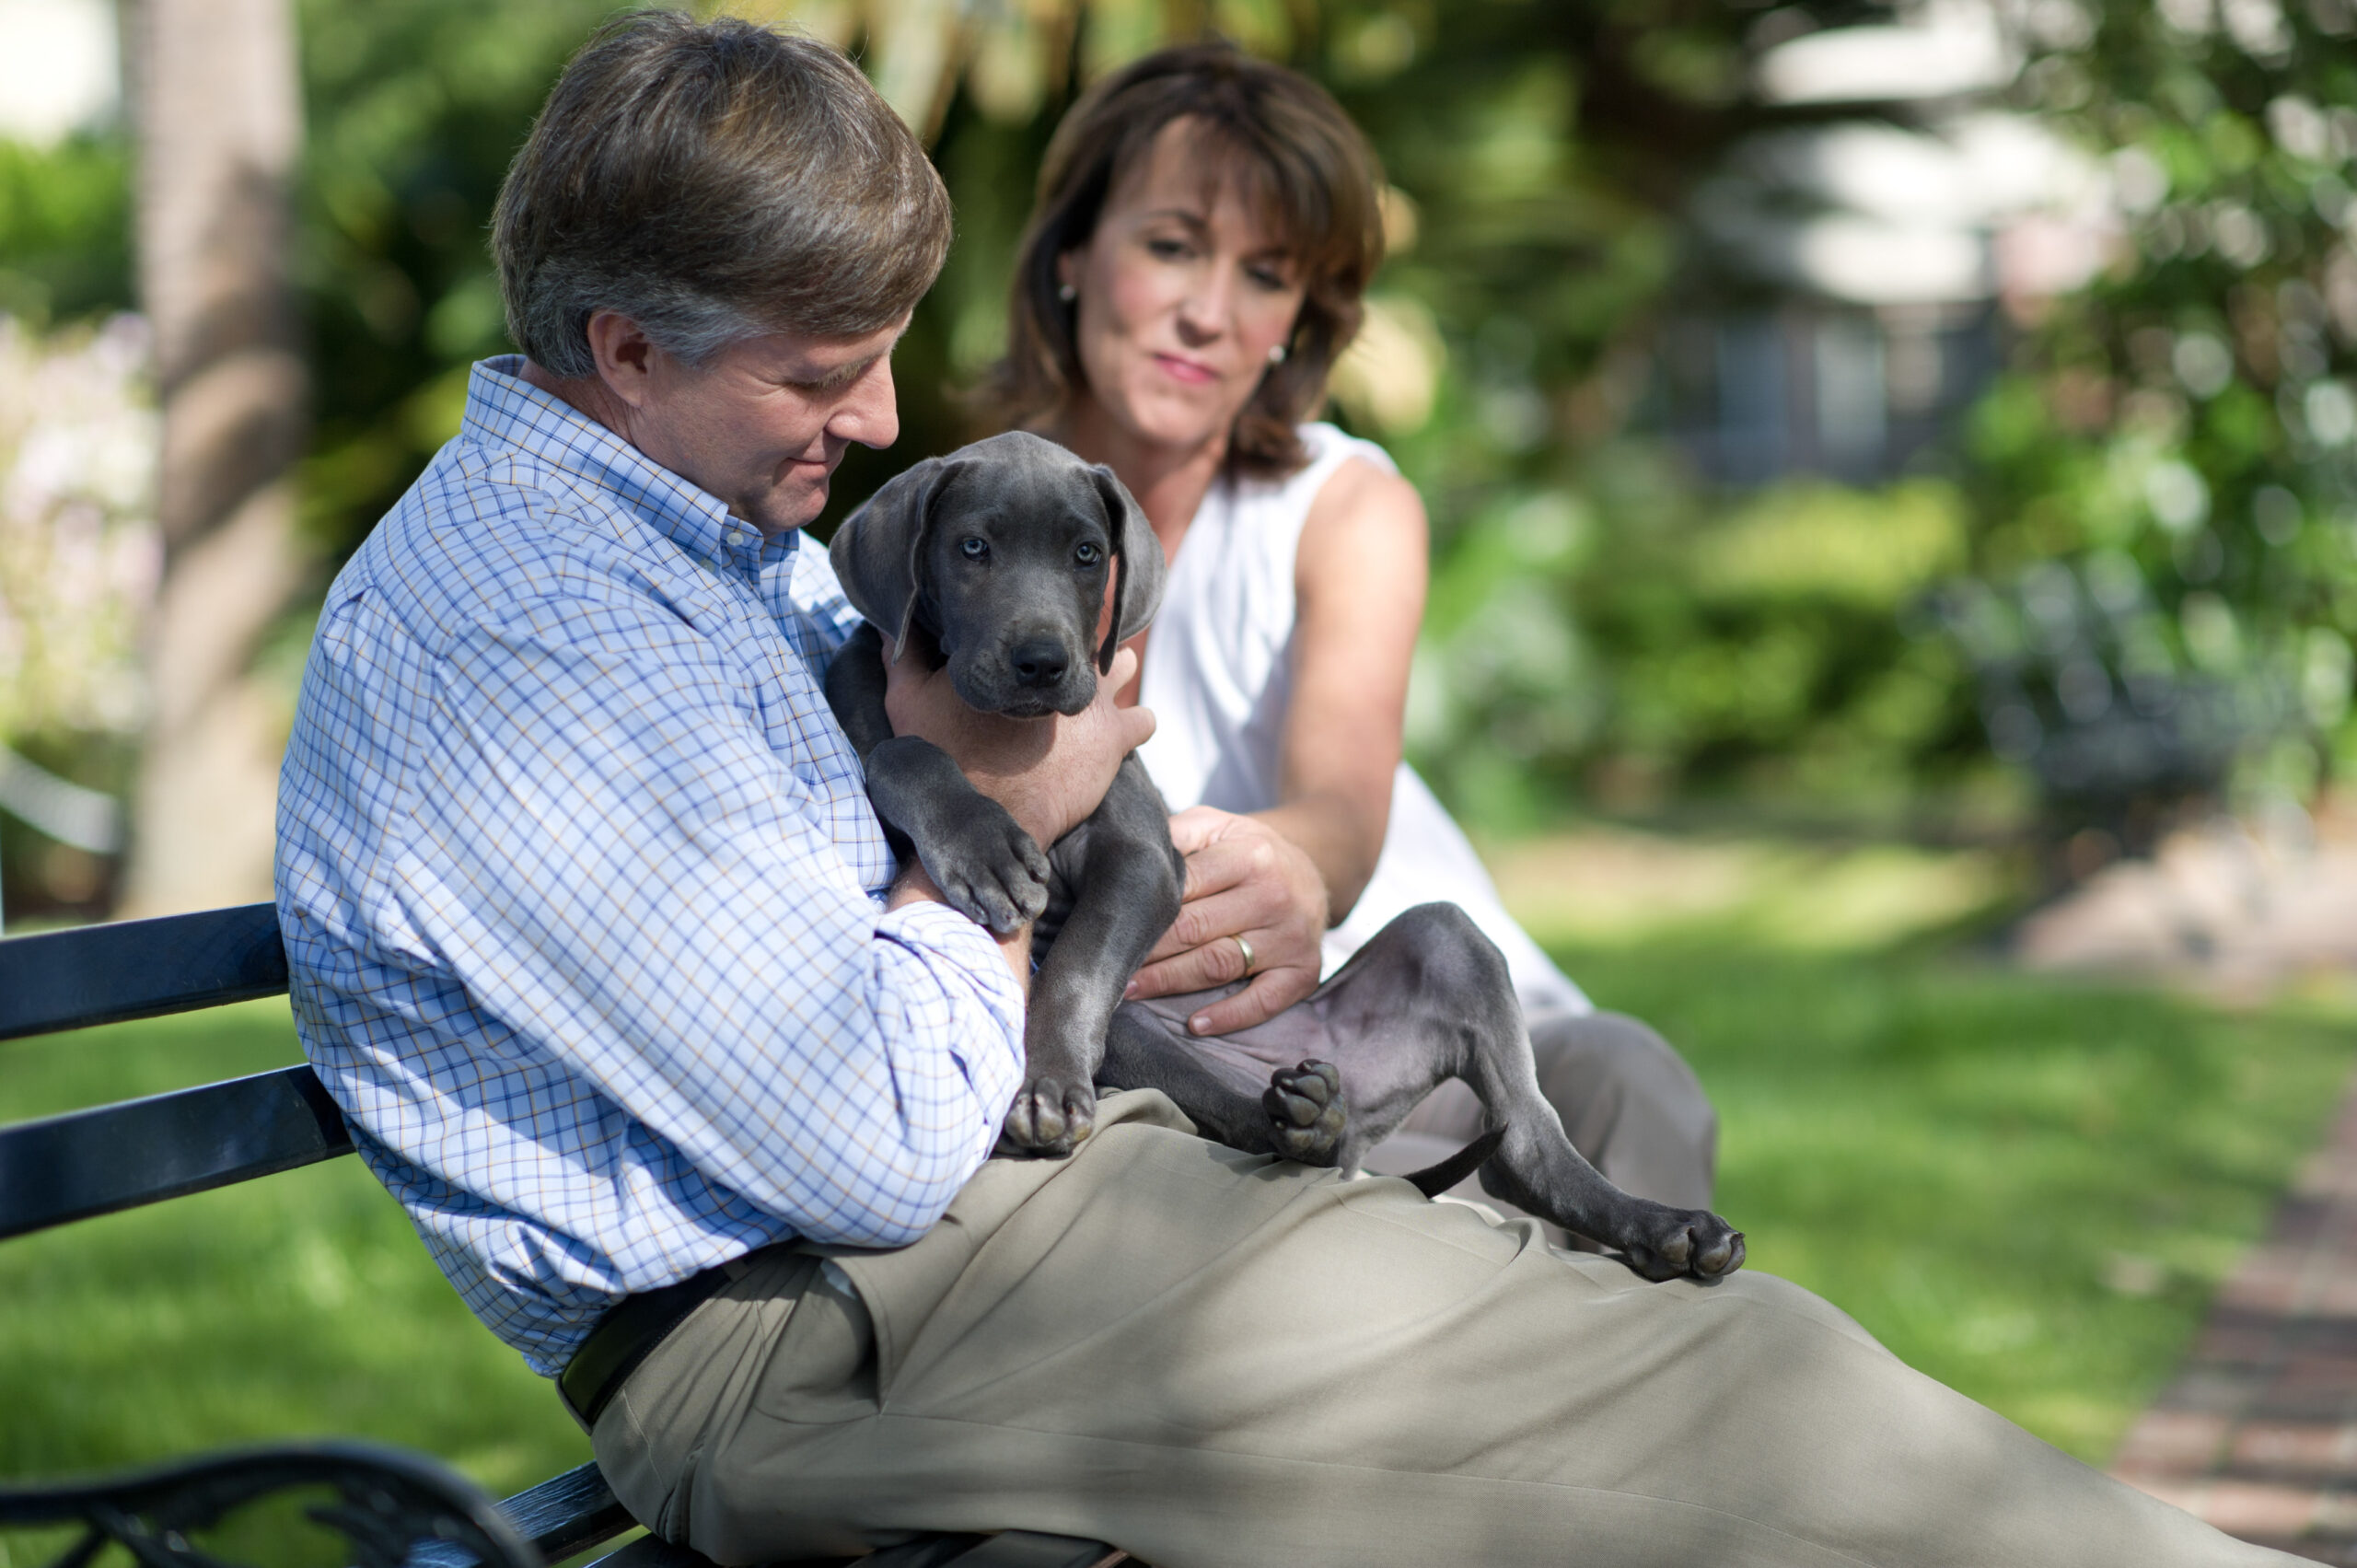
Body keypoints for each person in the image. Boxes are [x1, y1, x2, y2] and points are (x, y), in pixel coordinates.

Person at [274, 14, 2295, 1567]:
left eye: (883, 357)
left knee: (1693, 1340)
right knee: (1694, 1392)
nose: (882, 420)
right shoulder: (513, 641)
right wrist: (1003, 793)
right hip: (834, 1322)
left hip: (1002, 1219)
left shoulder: (687, 542)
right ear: (622, 347)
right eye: (824, 376)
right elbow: (873, 1134)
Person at [992, 43, 1713, 1220]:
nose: (1208, 312)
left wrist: (1281, 869)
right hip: (1165, 1048)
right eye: (1171, 245)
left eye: (1266, 275)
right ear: (1073, 253)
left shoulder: (1344, 502)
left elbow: (1339, 820)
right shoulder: (970, 515)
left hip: (1413, 1006)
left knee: (1634, 1084)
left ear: (1297, 321)